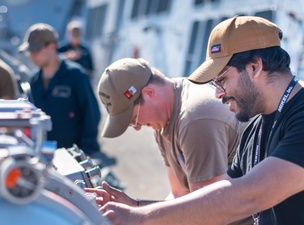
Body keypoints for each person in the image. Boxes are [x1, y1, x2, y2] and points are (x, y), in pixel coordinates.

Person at [98, 16, 304, 225]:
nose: (217, 94)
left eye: (221, 80)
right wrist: (137, 207)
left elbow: (247, 196)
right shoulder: (255, 128)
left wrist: (141, 218)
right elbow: (217, 199)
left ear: (254, 67)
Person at [87, 57, 252, 224]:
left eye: (134, 119)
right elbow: (179, 196)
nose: (137, 127)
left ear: (149, 93)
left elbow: (206, 212)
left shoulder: (194, 119)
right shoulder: (163, 120)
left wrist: (138, 216)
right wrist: (135, 206)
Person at [18, 23, 101, 156]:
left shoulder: (76, 75)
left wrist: (85, 151)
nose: (31, 56)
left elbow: (91, 114)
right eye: (29, 52)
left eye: (35, 50)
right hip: (41, 156)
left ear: (51, 47)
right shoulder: (34, 80)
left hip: (71, 158)